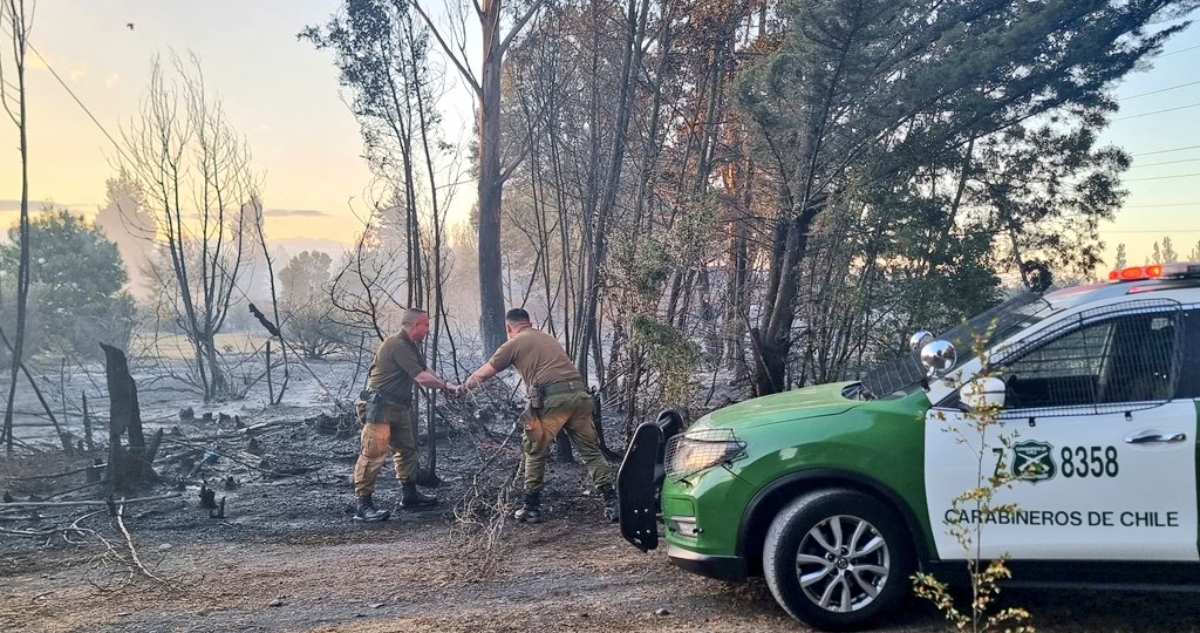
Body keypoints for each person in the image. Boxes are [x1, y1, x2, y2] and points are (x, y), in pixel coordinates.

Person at [454, 308, 617, 524]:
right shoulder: (547, 337)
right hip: (579, 397)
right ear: (528, 322)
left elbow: (484, 373)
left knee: (535, 451)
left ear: (508, 328)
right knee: (591, 452)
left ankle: (530, 507)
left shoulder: (514, 343)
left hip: (552, 402)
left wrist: (461, 389)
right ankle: (613, 503)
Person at [352, 308, 453, 522]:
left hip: (399, 407)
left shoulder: (410, 345)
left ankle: (410, 496)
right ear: (415, 325)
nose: (427, 329)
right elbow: (421, 378)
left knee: (407, 450)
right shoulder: (397, 344)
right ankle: (363, 506)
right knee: (373, 455)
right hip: (380, 408)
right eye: (425, 325)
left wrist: (445, 385)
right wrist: (445, 386)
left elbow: (426, 370)